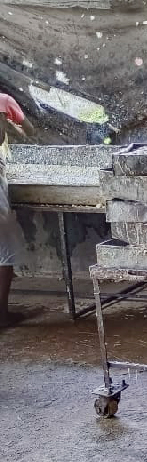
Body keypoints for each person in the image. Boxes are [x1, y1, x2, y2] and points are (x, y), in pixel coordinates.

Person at [0, 92, 33, 327]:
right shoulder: (3, 100)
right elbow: (29, 131)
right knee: (4, 253)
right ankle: (1, 315)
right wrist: (13, 124)